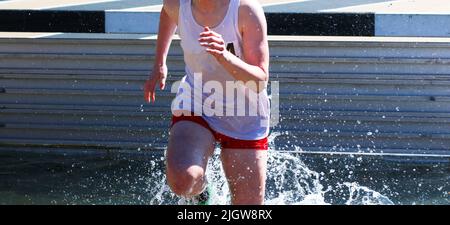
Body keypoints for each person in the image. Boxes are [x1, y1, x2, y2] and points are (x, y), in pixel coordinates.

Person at [143, 0, 270, 205]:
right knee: (183, 180)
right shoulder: (177, 3)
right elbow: (168, 12)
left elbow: (259, 81)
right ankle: (203, 197)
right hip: (198, 102)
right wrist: (159, 62)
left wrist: (223, 55)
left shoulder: (245, 10)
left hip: (245, 114)